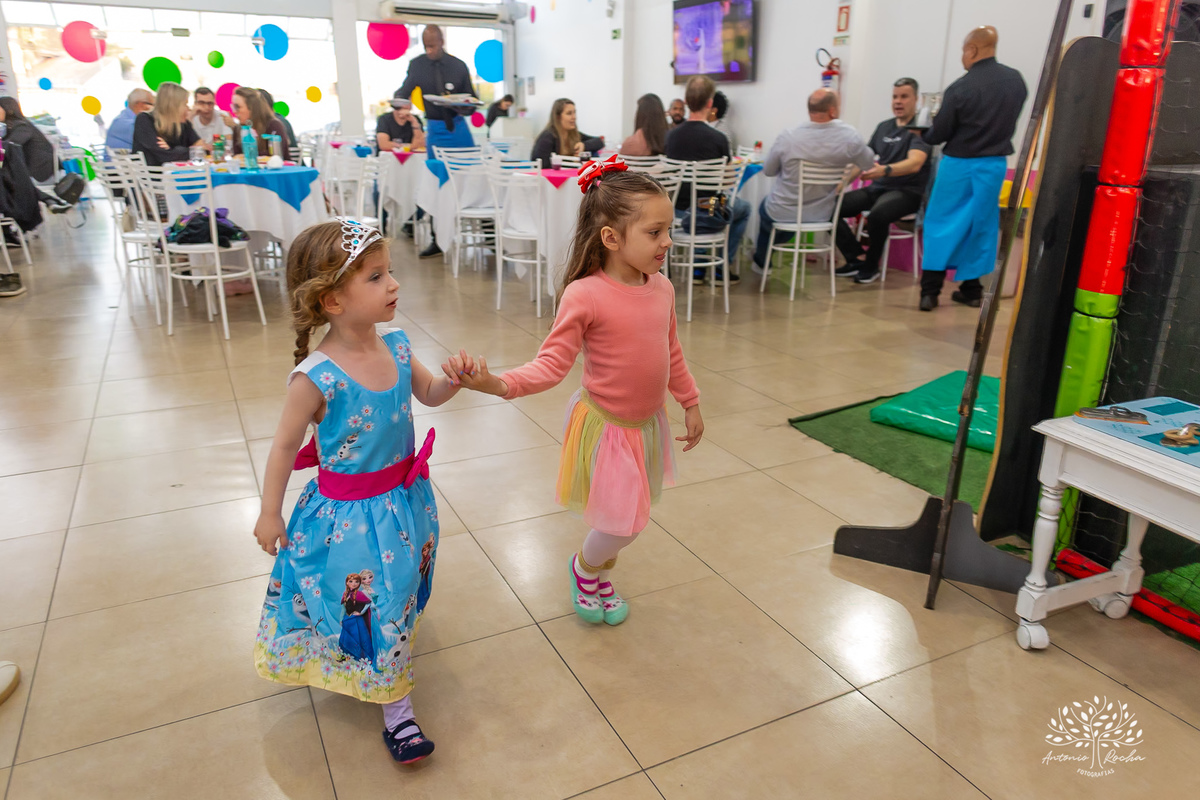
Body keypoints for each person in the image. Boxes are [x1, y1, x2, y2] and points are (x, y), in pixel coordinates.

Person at [444, 161, 704, 626]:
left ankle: (600, 574)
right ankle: (585, 571)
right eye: (655, 231)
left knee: (625, 520)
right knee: (622, 523)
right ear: (611, 238)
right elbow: (551, 364)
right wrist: (498, 383)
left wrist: (690, 400)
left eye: (669, 229)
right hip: (606, 429)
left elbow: (672, 351)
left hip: (645, 426)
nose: (667, 241)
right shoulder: (585, 295)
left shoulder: (661, 287)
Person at [253, 217, 465, 764]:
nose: (394, 285)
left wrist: (453, 379)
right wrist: (269, 513)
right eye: (376, 277)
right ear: (331, 301)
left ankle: (388, 653)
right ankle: (399, 713)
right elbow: (282, 449)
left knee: (401, 585)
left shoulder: (396, 343)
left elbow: (430, 393)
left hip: (403, 501)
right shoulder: (315, 378)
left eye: (389, 273)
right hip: (347, 519)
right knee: (373, 597)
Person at [919, 25, 1028, 311]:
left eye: (963, 52)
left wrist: (924, 135)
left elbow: (940, 132)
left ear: (972, 50)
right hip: (992, 166)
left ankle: (929, 293)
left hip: (957, 166)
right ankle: (972, 290)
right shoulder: (1015, 81)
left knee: (940, 225)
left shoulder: (960, 87)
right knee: (981, 226)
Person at [752, 89, 875, 276]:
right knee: (786, 218)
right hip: (822, 214)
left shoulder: (788, 136)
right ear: (833, 111)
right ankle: (767, 254)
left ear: (810, 110)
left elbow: (768, 171)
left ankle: (762, 262)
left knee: (766, 209)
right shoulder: (850, 136)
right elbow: (867, 163)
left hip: (783, 211)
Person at [833, 77, 932, 285]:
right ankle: (856, 258)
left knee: (878, 215)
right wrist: (841, 185)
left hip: (907, 192)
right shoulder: (884, 127)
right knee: (828, 207)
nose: (898, 101)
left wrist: (885, 170)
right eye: (895, 97)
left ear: (915, 99)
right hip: (878, 189)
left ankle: (871, 266)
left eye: (904, 97)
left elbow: (915, 163)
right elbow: (864, 161)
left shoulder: (919, 130)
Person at [394, 24, 477, 258]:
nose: (429, 50)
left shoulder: (458, 65)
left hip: (459, 128)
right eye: (426, 46)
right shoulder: (418, 65)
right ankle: (437, 240)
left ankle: (486, 232)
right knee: (436, 182)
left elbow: (472, 100)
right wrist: (400, 102)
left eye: (433, 45)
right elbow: (405, 90)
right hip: (436, 130)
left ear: (442, 41)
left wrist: (463, 104)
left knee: (472, 179)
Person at [664, 76, 750, 283]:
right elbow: (727, 182)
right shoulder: (718, 138)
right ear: (710, 104)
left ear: (686, 102)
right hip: (708, 209)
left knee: (714, 204)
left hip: (676, 210)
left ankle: (697, 269)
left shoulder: (671, 136)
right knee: (743, 208)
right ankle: (721, 268)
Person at [132, 81, 203, 167]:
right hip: (152, 178)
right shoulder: (145, 120)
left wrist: (172, 150)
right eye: (185, 104)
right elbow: (164, 156)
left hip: (178, 176)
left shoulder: (182, 124)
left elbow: (202, 148)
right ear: (173, 106)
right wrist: (181, 151)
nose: (187, 108)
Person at [531, 98, 605, 169]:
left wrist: (584, 145)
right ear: (558, 117)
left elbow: (599, 141)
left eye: (574, 113)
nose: (574, 117)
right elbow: (542, 166)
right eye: (569, 113)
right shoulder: (547, 137)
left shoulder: (573, 134)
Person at [230, 87, 288, 157]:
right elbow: (237, 156)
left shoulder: (273, 125)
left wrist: (247, 156)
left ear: (252, 108)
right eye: (233, 106)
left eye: (237, 107)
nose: (234, 111)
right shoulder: (238, 129)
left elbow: (277, 155)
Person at [105, 88, 155, 155]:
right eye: (152, 104)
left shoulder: (124, 119)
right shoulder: (124, 123)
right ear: (140, 104)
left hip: (129, 163)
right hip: (124, 164)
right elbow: (152, 141)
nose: (154, 108)